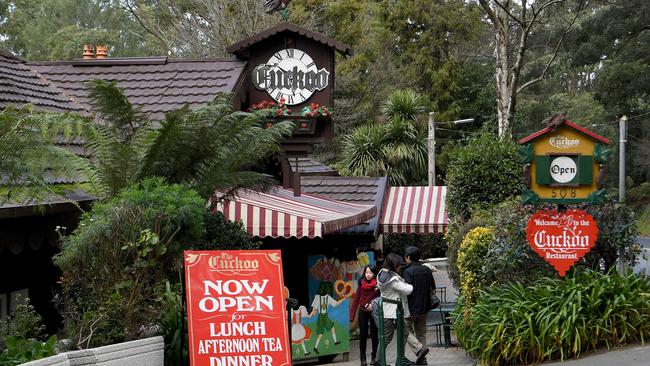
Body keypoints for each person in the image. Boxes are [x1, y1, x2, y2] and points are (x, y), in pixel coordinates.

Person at [374, 253, 416, 366]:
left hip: (391, 310)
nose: (400, 267)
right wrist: (411, 284)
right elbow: (407, 290)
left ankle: (399, 358)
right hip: (392, 312)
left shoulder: (382, 274)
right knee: (387, 337)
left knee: (403, 332)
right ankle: (379, 361)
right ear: (392, 265)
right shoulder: (392, 279)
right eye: (398, 265)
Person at [402, 246, 432, 365]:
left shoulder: (408, 271)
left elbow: (406, 290)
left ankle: (419, 349)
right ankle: (423, 360)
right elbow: (432, 288)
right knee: (421, 332)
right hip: (424, 307)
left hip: (410, 307)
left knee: (404, 330)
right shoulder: (427, 270)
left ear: (408, 257)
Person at [350, 265, 380, 366]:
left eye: (370, 273)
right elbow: (356, 300)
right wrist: (352, 315)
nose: (368, 275)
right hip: (362, 311)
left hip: (374, 311)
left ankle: (374, 356)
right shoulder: (361, 284)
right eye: (366, 272)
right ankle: (362, 358)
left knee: (374, 334)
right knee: (363, 334)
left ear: (374, 274)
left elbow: (381, 299)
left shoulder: (378, 285)